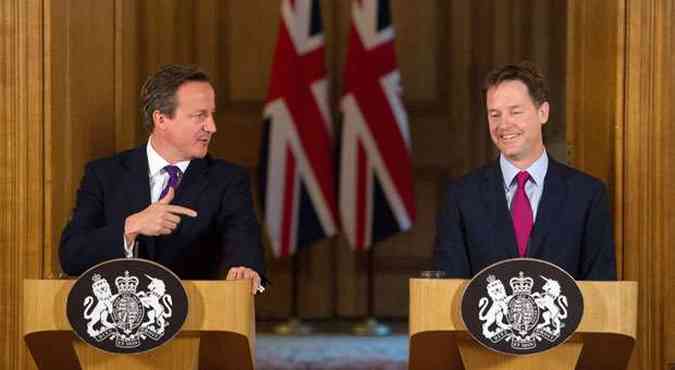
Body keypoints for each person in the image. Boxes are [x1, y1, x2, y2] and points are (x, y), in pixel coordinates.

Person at [60, 64, 266, 293]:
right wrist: (131, 226)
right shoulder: (104, 175)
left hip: (198, 319)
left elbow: (242, 238)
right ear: (161, 119)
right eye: (200, 116)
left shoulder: (228, 180)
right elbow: (72, 254)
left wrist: (245, 267)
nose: (212, 127)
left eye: (212, 115)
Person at [433, 61, 616, 280]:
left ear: (543, 112)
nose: (503, 125)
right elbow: (447, 288)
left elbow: (601, 287)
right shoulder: (461, 196)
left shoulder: (587, 195)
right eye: (494, 115)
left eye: (515, 112)